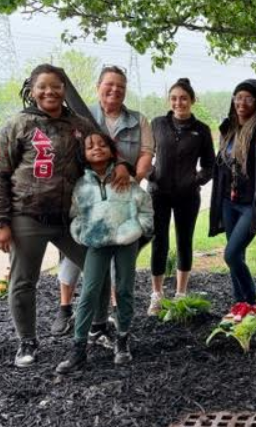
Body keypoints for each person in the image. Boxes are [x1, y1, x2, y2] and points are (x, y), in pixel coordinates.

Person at [0, 64, 111, 367]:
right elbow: (1, 172)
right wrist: (2, 222)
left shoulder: (79, 124)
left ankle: (100, 327)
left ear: (64, 89)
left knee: (98, 269)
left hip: (69, 219)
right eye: (42, 87)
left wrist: (122, 169)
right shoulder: (18, 125)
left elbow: (104, 150)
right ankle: (27, 341)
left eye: (56, 86)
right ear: (32, 90)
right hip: (28, 216)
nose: (49, 92)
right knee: (23, 281)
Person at [54, 64, 155, 339]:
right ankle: (65, 308)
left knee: (120, 262)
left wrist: (130, 172)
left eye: (120, 87)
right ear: (98, 86)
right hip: (90, 195)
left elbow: (146, 154)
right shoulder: (79, 116)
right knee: (76, 255)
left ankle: (111, 322)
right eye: (109, 85)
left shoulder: (137, 120)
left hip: (123, 197)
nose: (114, 90)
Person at [55, 133, 153, 373]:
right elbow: (76, 214)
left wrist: (138, 228)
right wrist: (81, 233)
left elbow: (144, 205)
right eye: (90, 147)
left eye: (102, 145)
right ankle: (78, 349)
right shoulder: (82, 186)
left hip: (125, 241)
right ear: (84, 155)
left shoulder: (125, 180)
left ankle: (122, 340)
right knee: (89, 291)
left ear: (111, 150)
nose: (96, 149)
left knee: (123, 289)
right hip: (97, 243)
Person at [147, 78, 215, 314]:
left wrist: (195, 181)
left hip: (187, 196)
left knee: (184, 242)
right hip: (159, 194)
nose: (179, 102)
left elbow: (209, 166)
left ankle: (180, 294)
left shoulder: (202, 130)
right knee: (159, 242)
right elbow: (144, 153)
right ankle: (156, 295)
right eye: (174, 98)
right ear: (169, 100)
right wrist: (150, 174)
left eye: (184, 98)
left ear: (192, 100)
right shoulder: (157, 124)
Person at [208, 79, 256, 317]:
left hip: (251, 204)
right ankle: (240, 305)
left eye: (248, 98)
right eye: (238, 97)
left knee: (231, 253)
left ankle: (252, 301)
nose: (241, 102)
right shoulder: (228, 129)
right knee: (237, 256)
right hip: (229, 202)